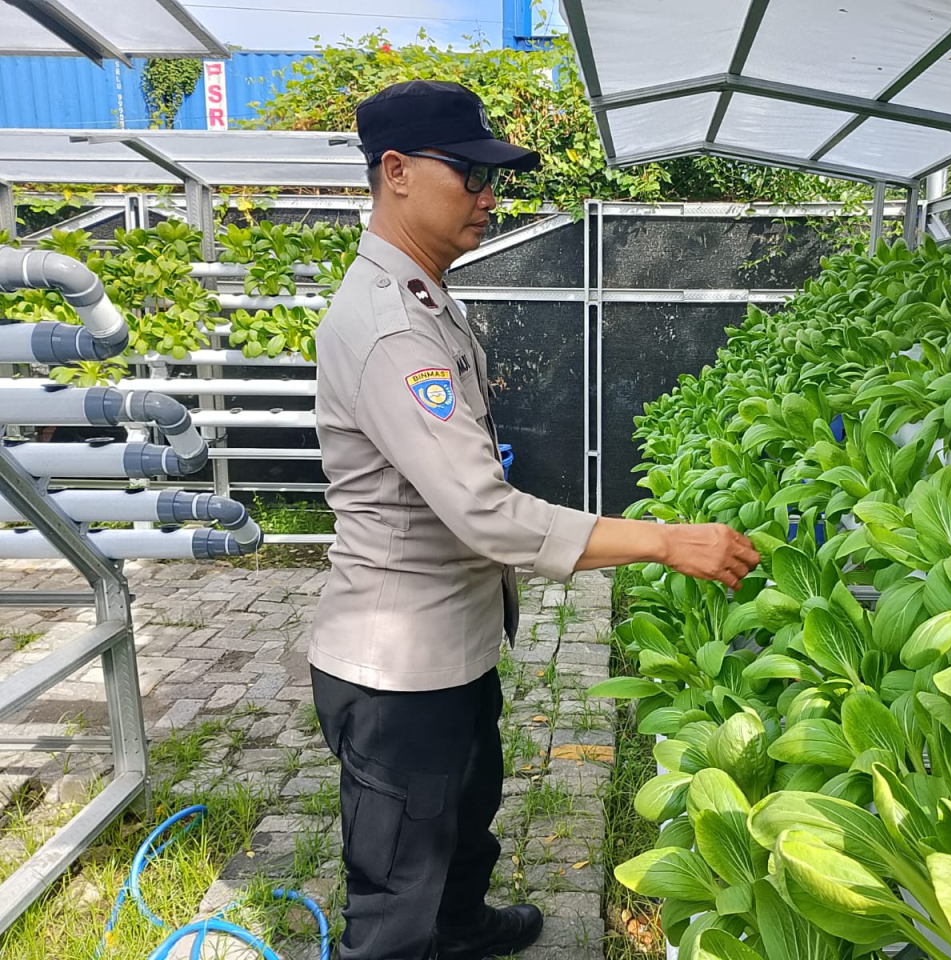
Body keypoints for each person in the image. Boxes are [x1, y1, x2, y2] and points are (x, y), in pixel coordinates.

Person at [309, 79, 760, 960]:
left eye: (493, 179)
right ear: (396, 172)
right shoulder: (391, 328)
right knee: (398, 888)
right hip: (398, 669)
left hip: (449, 643)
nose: (489, 196)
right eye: (471, 174)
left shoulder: (426, 297)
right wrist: (665, 542)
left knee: (465, 809)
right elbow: (487, 514)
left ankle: (462, 927)